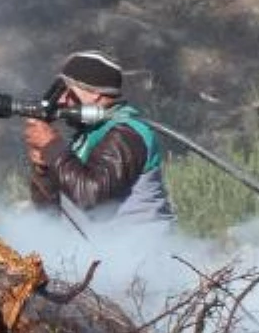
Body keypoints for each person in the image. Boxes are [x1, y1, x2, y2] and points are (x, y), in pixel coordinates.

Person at [24, 50, 176, 226]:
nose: (62, 100)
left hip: (139, 250)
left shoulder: (126, 134)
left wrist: (52, 146)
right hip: (96, 251)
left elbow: (90, 196)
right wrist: (42, 169)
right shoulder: (86, 137)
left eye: (67, 91)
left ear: (94, 93)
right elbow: (49, 212)